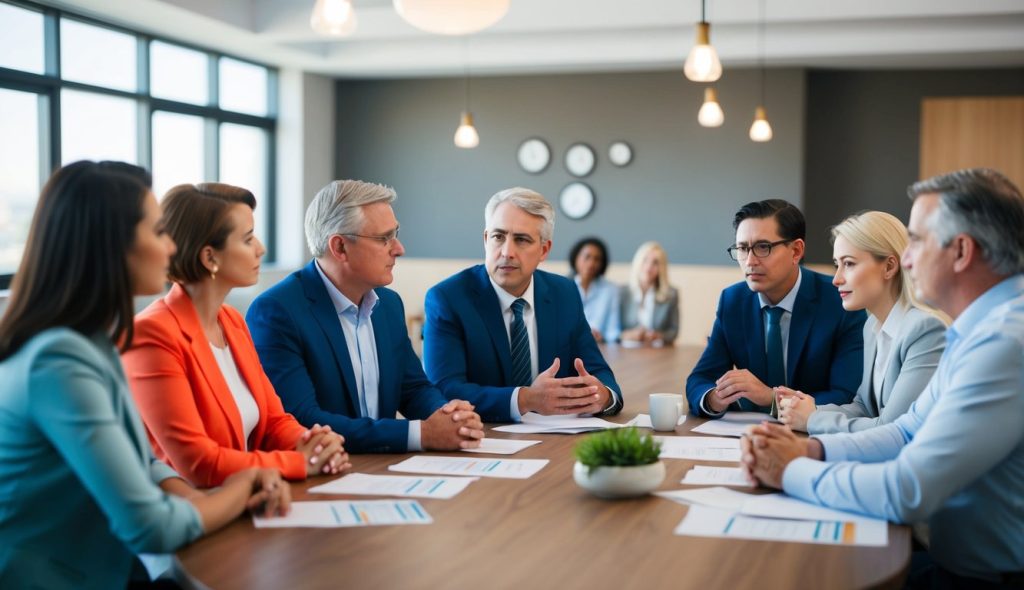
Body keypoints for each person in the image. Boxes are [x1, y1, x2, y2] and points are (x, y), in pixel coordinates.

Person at [0, 161, 289, 588]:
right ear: (111, 246)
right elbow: (150, 525)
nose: (172, 249)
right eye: (158, 233)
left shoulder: (93, 342)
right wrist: (242, 488)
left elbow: (140, 459)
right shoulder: (58, 362)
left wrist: (195, 496)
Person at [741, 169, 1024, 588]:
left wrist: (789, 470)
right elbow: (905, 432)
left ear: (962, 251)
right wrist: (814, 449)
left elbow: (907, 490)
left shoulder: (1004, 343)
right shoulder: (980, 329)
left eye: (918, 242)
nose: (907, 259)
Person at [122, 183, 350, 489]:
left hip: (250, 499)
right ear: (209, 257)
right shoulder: (152, 334)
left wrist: (315, 444)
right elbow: (198, 464)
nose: (260, 248)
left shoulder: (231, 321)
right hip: (199, 512)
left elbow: (273, 421)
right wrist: (300, 462)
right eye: (247, 239)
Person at [247, 180, 483, 453]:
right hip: (320, 478)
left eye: (395, 234)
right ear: (340, 248)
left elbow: (413, 388)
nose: (399, 248)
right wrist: (420, 434)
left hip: (381, 469)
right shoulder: (277, 311)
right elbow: (303, 420)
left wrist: (448, 415)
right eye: (384, 238)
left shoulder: (389, 304)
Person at [423, 187, 622, 423]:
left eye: (521, 240)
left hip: (556, 442)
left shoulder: (564, 293)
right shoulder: (448, 298)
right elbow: (444, 389)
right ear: (486, 240)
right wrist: (525, 399)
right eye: (498, 237)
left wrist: (603, 397)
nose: (507, 252)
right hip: (482, 439)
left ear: (544, 250)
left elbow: (599, 373)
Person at [686, 199, 865, 417]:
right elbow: (699, 380)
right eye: (743, 248)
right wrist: (715, 398)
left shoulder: (840, 301)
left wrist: (772, 398)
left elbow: (846, 395)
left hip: (815, 436)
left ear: (796, 251)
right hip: (746, 435)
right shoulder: (733, 300)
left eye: (763, 247)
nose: (750, 261)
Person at [777, 211, 946, 433]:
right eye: (837, 264)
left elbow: (893, 429)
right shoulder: (871, 326)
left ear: (889, 267)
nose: (836, 279)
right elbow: (865, 407)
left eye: (849, 263)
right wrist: (809, 409)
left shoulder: (925, 330)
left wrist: (812, 420)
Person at [619, 241, 679, 346]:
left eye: (655, 262)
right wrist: (628, 335)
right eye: (645, 260)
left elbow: (673, 332)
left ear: (661, 268)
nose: (649, 267)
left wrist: (658, 336)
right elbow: (612, 331)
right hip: (626, 351)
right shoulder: (622, 292)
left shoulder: (671, 294)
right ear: (638, 262)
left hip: (657, 352)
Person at [568, 237, 621, 343]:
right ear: (576, 258)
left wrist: (600, 336)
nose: (591, 263)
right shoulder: (563, 286)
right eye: (587, 257)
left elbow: (613, 331)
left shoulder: (610, 290)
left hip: (600, 347)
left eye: (597, 259)